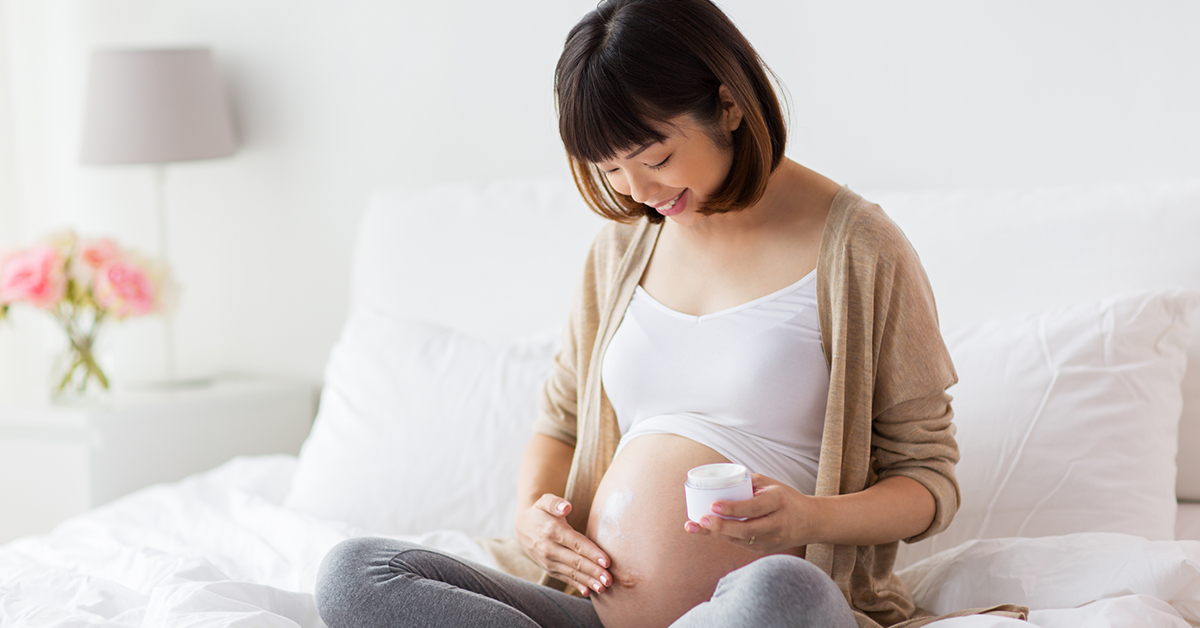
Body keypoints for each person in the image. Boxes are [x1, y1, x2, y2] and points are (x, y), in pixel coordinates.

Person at [315, 1, 1026, 627]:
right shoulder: (622, 247)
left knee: (786, 593)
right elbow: (560, 421)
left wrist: (808, 518)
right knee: (355, 575)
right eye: (609, 170)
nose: (637, 190)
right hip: (593, 609)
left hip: (759, 609)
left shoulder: (859, 249)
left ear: (728, 106)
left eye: (654, 156)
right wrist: (534, 516)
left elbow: (927, 482)